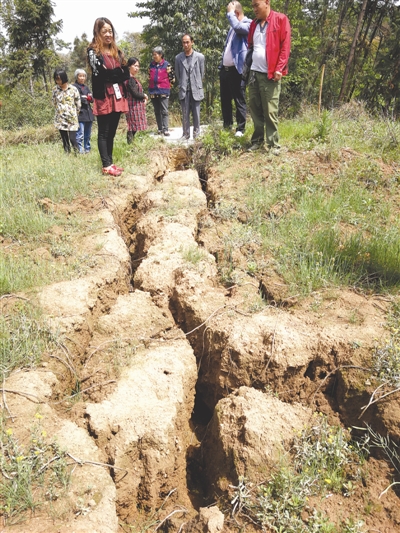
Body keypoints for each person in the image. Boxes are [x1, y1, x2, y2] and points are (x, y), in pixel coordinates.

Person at [87, 17, 130, 176]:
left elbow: (125, 73)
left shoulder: (117, 51)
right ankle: (106, 166)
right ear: (97, 33)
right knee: (103, 132)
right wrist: (116, 74)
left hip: (117, 96)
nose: (108, 34)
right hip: (104, 95)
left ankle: (110, 163)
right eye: (104, 31)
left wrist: (115, 74)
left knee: (112, 131)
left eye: (110, 31)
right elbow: (101, 73)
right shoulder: (93, 51)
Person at [247, 0, 291, 153]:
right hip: (254, 73)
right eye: (252, 6)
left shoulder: (280, 20)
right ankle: (257, 141)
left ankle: (273, 145)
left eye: (256, 5)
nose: (254, 9)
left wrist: (280, 68)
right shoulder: (254, 24)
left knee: (270, 110)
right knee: (255, 108)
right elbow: (251, 46)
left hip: (270, 74)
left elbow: (285, 47)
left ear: (267, 2)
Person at [220, 2, 251, 137]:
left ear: (236, 13)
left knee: (239, 99)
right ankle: (227, 126)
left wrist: (230, 13)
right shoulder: (232, 28)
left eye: (231, 14)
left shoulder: (248, 23)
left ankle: (240, 129)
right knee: (225, 100)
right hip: (225, 70)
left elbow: (239, 28)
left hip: (237, 70)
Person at [175, 34, 205, 140]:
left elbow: (202, 73)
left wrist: (195, 83)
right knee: (185, 113)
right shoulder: (178, 58)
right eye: (183, 42)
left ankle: (197, 134)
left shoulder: (200, 57)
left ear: (192, 42)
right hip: (184, 89)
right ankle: (185, 134)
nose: (186, 44)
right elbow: (178, 74)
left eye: (187, 42)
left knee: (196, 114)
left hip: (196, 89)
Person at [52, 69, 81, 154]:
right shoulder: (55, 90)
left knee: (72, 138)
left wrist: (75, 114)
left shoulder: (73, 89)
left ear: (64, 78)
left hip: (72, 118)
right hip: (60, 119)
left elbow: (78, 103)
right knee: (64, 139)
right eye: (56, 79)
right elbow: (54, 102)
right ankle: (67, 154)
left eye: (59, 79)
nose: (58, 81)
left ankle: (77, 154)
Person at [148, 47, 174, 137]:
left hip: (164, 91)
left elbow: (172, 79)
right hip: (153, 91)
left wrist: (166, 87)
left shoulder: (167, 65)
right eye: (153, 55)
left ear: (161, 55)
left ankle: (166, 129)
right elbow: (149, 76)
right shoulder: (151, 65)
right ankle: (159, 128)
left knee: (164, 111)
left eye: (155, 54)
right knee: (157, 111)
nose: (154, 56)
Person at [125, 57, 148, 143]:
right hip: (132, 106)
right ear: (129, 66)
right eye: (135, 66)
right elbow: (135, 93)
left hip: (135, 105)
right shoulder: (129, 79)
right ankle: (129, 143)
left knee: (134, 126)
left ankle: (130, 143)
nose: (137, 68)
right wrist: (144, 96)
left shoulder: (132, 78)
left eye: (138, 66)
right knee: (132, 126)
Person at [73, 69, 94, 154]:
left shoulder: (86, 87)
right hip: (80, 113)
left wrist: (88, 98)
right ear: (76, 77)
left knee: (88, 134)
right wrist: (85, 98)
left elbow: (92, 99)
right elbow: (76, 99)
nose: (82, 78)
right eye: (80, 76)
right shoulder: (74, 87)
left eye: (83, 76)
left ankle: (87, 149)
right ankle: (80, 150)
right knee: (80, 134)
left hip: (88, 113)